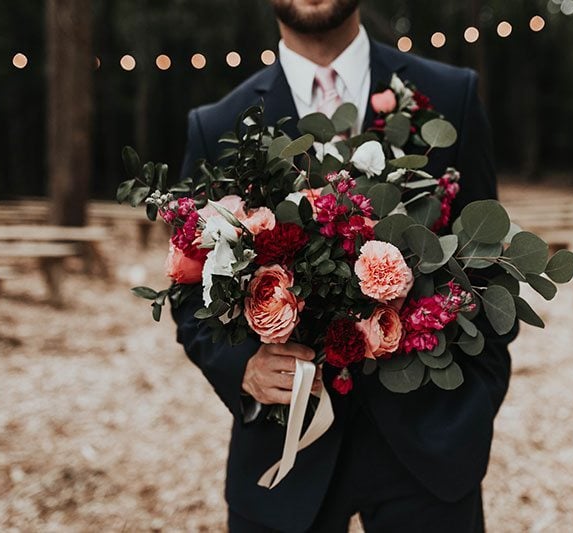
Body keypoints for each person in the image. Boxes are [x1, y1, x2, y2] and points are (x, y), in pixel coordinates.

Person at [173, 1, 517, 531]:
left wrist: (472, 407)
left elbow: (490, 267)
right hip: (285, 451)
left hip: (429, 447)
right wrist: (241, 367)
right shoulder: (218, 126)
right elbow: (189, 291)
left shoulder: (452, 97)